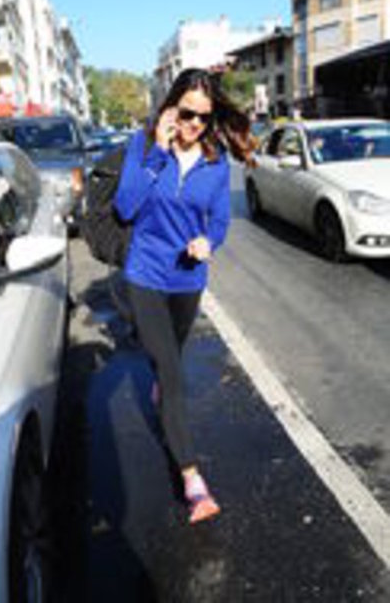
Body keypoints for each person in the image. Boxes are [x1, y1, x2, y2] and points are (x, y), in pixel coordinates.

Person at [114, 68, 252, 524]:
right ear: (172, 106)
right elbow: (125, 207)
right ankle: (193, 481)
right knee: (171, 375)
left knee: (170, 353)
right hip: (145, 274)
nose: (194, 124)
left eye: (203, 117)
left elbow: (220, 220)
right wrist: (158, 149)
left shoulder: (215, 162)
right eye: (187, 113)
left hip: (188, 281)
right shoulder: (143, 145)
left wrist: (209, 242)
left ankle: (161, 373)